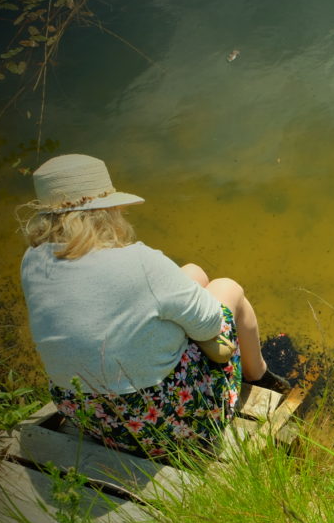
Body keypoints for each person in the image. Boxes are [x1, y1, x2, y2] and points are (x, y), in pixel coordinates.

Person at [18, 153, 289, 459]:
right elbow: (211, 325)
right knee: (228, 288)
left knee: (193, 272)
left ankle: (248, 369)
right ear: (107, 211)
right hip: (165, 424)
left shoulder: (33, 261)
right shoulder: (138, 262)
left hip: (89, 415)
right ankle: (259, 375)